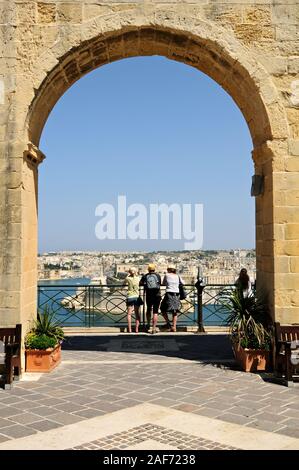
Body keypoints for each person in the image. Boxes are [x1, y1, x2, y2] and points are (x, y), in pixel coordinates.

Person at [160, 264, 183, 332]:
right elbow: (183, 283)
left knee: (162, 308)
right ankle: (174, 327)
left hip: (169, 293)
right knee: (175, 311)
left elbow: (163, 283)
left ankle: (168, 324)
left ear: (168, 269)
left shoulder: (167, 275)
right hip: (177, 294)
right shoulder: (178, 276)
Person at [139, 264, 161, 334]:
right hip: (157, 295)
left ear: (148, 269)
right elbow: (159, 283)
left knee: (148, 309)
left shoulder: (145, 276)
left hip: (149, 295)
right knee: (155, 312)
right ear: (154, 269)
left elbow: (140, 283)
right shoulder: (158, 276)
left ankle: (148, 324)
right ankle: (154, 328)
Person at [123, 267, 140, 333]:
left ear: (129, 272)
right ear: (136, 272)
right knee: (137, 313)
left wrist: (128, 275)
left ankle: (129, 329)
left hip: (130, 297)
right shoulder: (138, 278)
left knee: (129, 314)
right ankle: (136, 329)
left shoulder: (127, 278)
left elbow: (123, 284)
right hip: (137, 297)